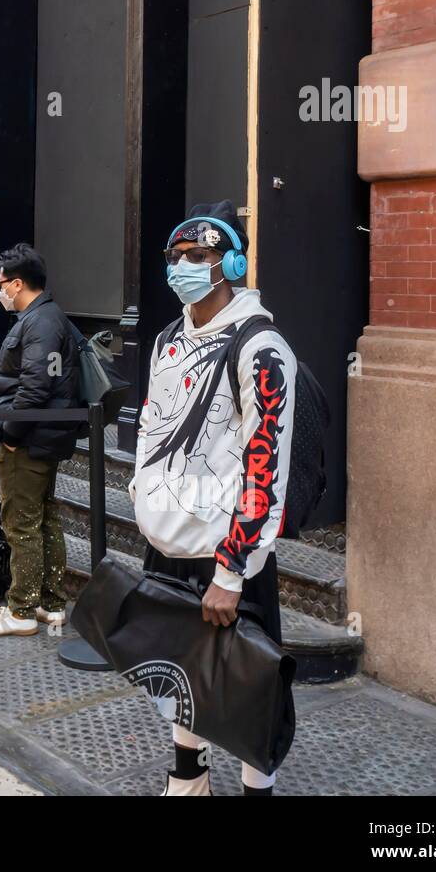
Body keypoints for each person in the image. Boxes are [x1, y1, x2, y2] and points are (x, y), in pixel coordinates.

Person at [132, 201, 297, 797]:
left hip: (229, 548)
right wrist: (144, 500)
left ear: (229, 262)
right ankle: (187, 780)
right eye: (174, 258)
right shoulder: (167, 338)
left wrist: (232, 570)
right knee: (182, 670)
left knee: (248, 682)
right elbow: (153, 425)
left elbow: (266, 462)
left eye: (196, 258)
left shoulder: (263, 348)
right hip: (168, 539)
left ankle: (259, 787)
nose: (181, 268)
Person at [0, 244, 80, 637]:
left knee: (21, 523)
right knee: (44, 519)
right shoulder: (48, 317)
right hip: (44, 437)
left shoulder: (38, 322)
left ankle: (20, 611)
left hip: (30, 440)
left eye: (1, 283)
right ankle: (51, 605)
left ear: (16, 283)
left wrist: (12, 436)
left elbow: (36, 387)